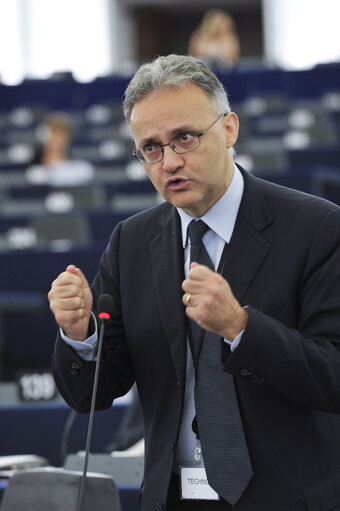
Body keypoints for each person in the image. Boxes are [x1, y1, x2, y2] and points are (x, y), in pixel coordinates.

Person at [48, 55, 340, 511]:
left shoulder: (316, 226)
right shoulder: (132, 242)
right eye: (151, 147)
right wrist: (79, 334)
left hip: (285, 497)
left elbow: (334, 376)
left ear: (229, 129)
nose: (169, 162)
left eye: (184, 138)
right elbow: (93, 394)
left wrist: (242, 326)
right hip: (172, 498)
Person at [26, 111, 94, 186]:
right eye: (54, 133)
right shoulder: (33, 171)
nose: (58, 139)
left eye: (62, 135)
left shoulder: (81, 168)